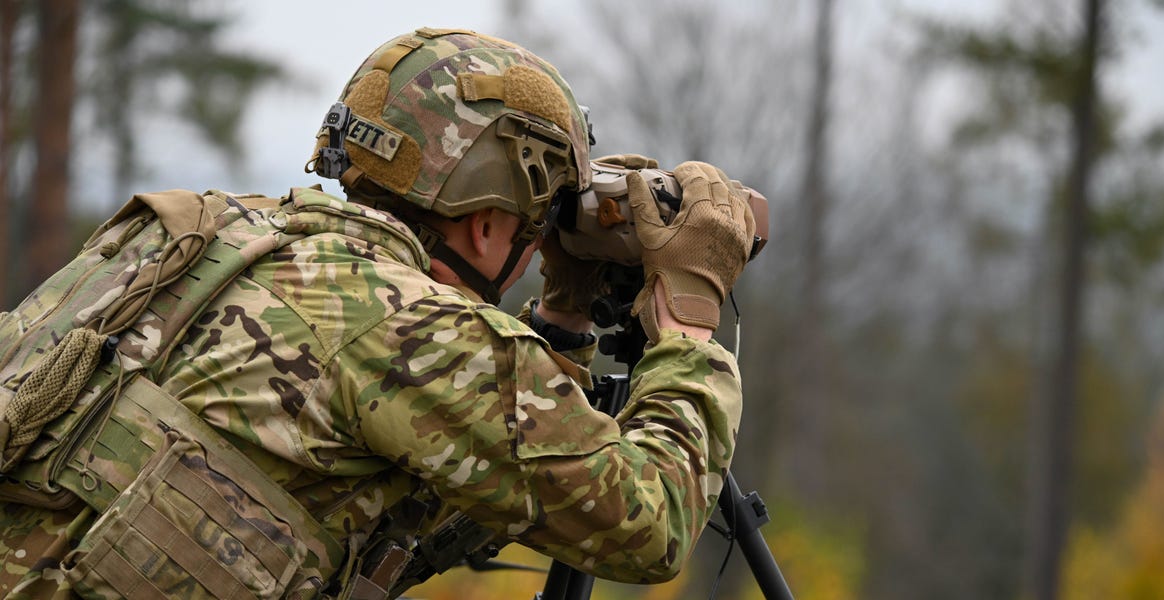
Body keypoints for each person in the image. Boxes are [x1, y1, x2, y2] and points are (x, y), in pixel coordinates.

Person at [0, 27, 756, 599]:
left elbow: (466, 481)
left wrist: (562, 314)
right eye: (536, 219)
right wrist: (688, 320)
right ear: (488, 223)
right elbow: (647, 527)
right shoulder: (414, 329)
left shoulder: (189, 231)